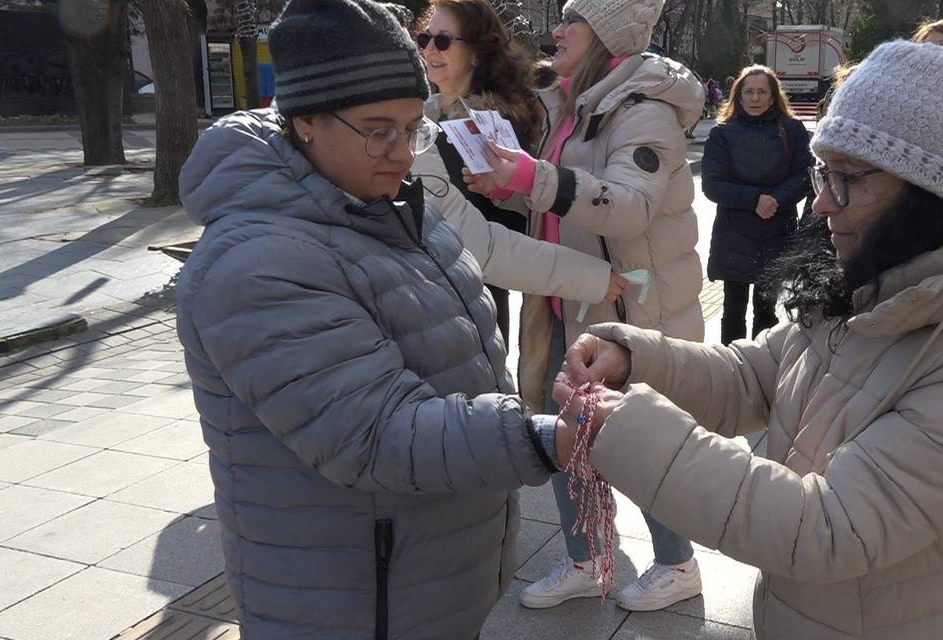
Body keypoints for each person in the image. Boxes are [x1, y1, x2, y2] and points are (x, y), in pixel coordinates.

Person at [554, 41, 943, 639]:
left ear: (935, 194)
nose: (821, 201)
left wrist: (630, 430)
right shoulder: (877, 277)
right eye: (823, 173)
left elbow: (831, 528)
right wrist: (636, 360)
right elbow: (754, 375)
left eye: (845, 179)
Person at [173, 0, 579, 635]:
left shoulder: (392, 205)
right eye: (377, 129)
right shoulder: (257, 261)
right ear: (305, 120)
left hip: (421, 577)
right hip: (353, 600)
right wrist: (548, 438)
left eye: (415, 127)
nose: (401, 152)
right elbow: (374, 432)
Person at [463, 0, 708, 613]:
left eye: (572, 19)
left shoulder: (645, 109)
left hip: (633, 310)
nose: (556, 29)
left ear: (606, 33)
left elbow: (628, 206)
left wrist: (532, 177)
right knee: (564, 431)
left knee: (637, 438)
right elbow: (561, 207)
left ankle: (678, 563)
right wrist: (511, 186)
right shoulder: (569, 102)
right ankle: (586, 560)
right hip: (568, 301)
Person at [417, 0, 551, 348]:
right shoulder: (420, 116)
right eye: (424, 39)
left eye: (443, 41)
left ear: (476, 54)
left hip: (474, 297)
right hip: (419, 291)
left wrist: (502, 190)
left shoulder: (495, 125)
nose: (430, 49)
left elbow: (524, 218)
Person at [702, 64, 810, 344]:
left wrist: (776, 199)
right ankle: (730, 374)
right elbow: (712, 185)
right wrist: (754, 200)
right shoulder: (721, 134)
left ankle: (762, 373)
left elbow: (805, 176)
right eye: (749, 91)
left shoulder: (793, 130)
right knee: (733, 311)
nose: (755, 98)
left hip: (776, 232)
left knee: (767, 312)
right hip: (734, 234)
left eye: (762, 91)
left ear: (773, 96)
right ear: (738, 95)